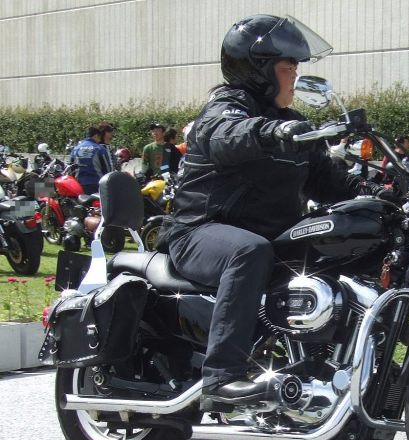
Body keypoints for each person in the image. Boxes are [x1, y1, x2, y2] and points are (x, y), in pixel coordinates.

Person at [158, 14, 386, 411]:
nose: (295, 75)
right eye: (287, 66)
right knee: (249, 251)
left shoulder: (294, 124)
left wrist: (380, 193)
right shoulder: (225, 108)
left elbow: (330, 181)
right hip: (200, 232)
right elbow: (226, 135)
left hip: (268, 237)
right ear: (258, 70)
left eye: (297, 66)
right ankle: (221, 378)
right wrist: (272, 132)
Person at [68, 126, 112, 194]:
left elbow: (70, 168)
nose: (99, 140)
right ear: (96, 135)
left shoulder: (76, 149)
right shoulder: (100, 149)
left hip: (79, 185)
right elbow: (107, 170)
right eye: (99, 137)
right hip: (96, 184)